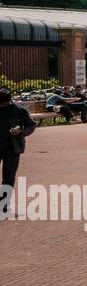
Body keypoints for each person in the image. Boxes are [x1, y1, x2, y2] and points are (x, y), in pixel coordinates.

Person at [0, 87, 37, 216]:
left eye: (3, 103)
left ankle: (3, 206)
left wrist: (21, 131)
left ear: (8, 101)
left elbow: (31, 124)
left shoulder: (18, 110)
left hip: (12, 148)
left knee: (8, 177)